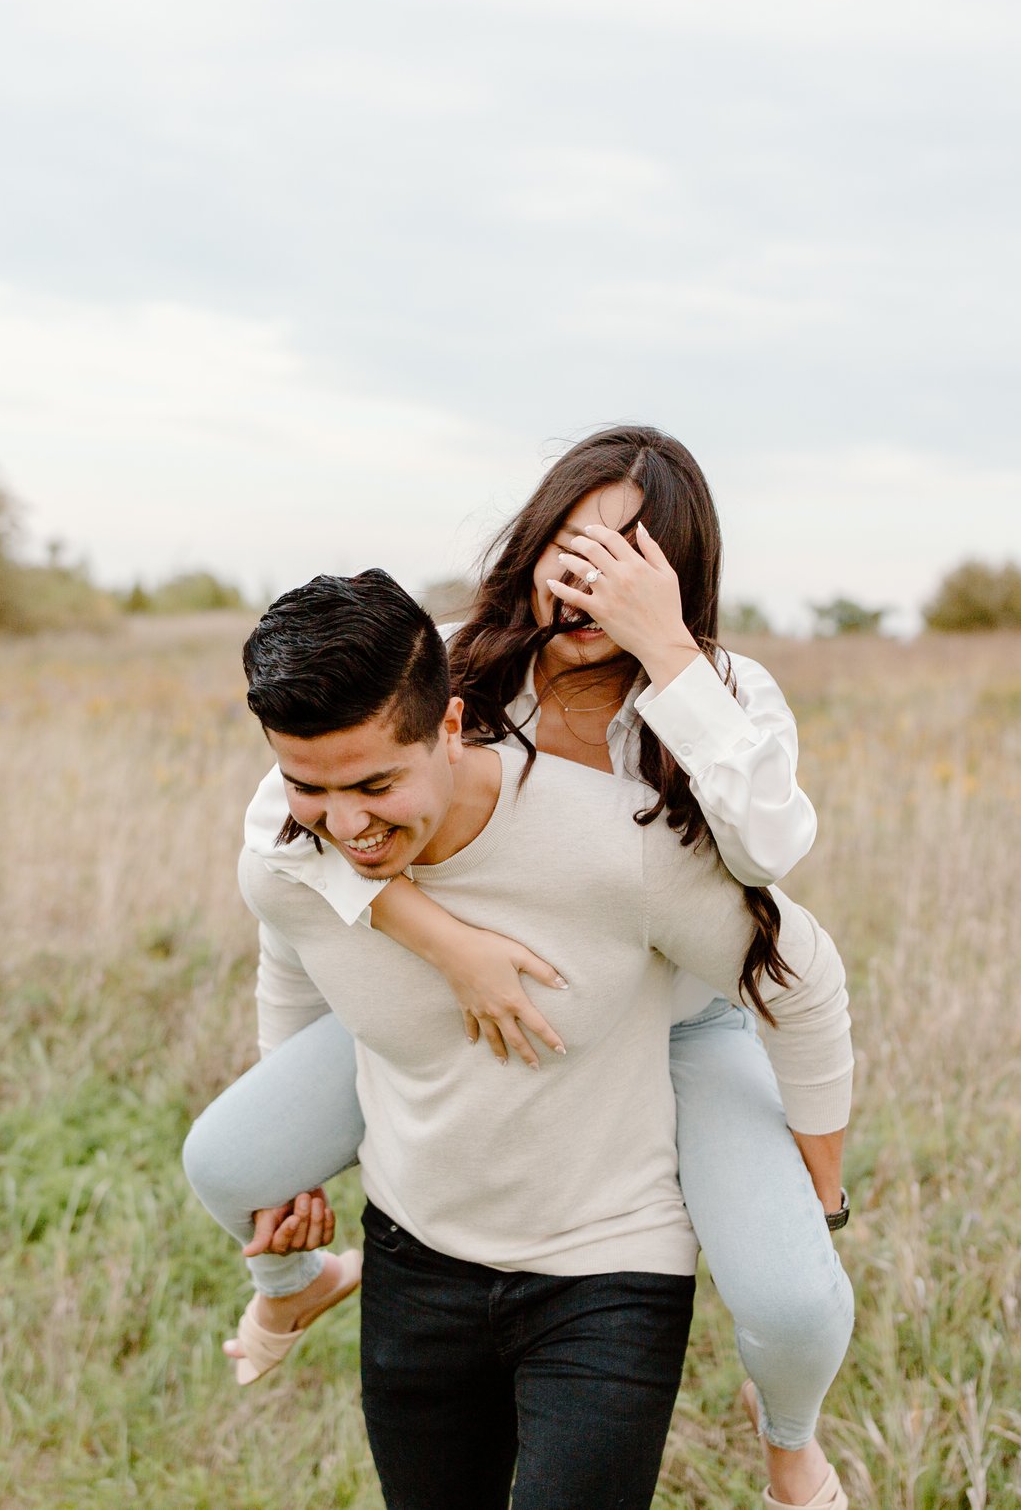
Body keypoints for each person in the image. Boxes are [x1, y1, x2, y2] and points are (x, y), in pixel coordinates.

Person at [184, 427, 855, 1508]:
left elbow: (772, 856)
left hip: (680, 1016)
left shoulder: (727, 692)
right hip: (461, 983)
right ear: (533, 546)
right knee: (227, 1159)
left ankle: (791, 1446)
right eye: (573, 549)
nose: (592, 581)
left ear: (679, 581)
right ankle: (294, 1285)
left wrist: (674, 659)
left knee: (788, 1295)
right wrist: (443, 939)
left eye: (631, 559)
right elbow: (295, 831)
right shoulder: (446, 659)